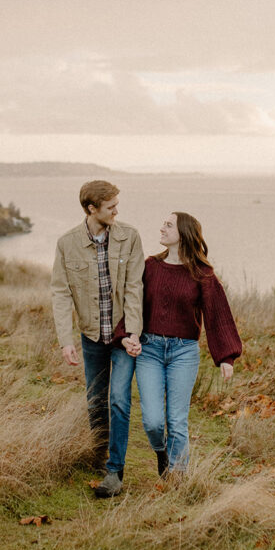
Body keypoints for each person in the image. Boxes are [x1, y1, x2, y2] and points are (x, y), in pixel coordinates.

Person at [125, 211, 242, 477]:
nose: (162, 227)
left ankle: (179, 480)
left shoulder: (202, 273)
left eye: (168, 224)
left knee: (177, 421)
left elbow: (217, 314)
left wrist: (226, 356)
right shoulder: (151, 266)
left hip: (183, 352)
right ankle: (161, 452)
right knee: (153, 422)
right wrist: (127, 335)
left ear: (184, 233)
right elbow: (132, 303)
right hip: (150, 350)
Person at [51, 180, 144, 498]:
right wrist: (66, 340)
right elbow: (60, 294)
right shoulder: (67, 244)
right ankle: (98, 455)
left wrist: (132, 333)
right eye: (111, 207)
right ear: (92, 209)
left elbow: (134, 287)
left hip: (121, 337)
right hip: (90, 337)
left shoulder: (129, 237)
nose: (117, 211)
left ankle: (114, 471)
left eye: (117, 204)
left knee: (119, 400)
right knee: (95, 402)